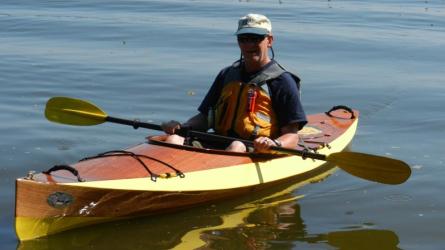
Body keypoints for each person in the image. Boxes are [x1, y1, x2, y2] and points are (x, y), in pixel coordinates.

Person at [162, 13, 307, 153]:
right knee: (174, 139)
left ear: (269, 41)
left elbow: (292, 135)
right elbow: (205, 117)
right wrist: (183, 126)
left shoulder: (282, 81)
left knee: (237, 145)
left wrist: (275, 143)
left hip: (255, 147)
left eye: (256, 38)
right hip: (218, 140)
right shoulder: (227, 74)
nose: (249, 44)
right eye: (243, 39)